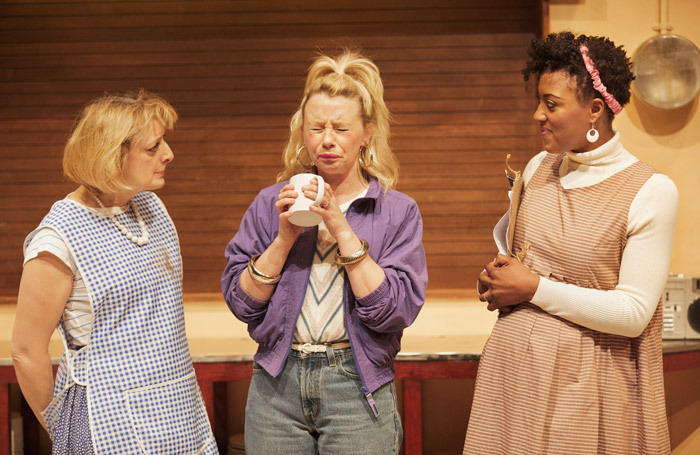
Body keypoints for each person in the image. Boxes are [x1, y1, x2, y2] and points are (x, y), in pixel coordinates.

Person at [463, 31, 678, 455]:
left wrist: (534, 289)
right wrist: (499, 280)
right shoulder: (539, 166)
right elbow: (524, 260)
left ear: (595, 109)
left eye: (552, 103)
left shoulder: (650, 190)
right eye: (538, 101)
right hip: (515, 378)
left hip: (590, 385)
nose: (537, 115)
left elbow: (634, 313)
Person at [222, 49, 427, 454]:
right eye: (317, 127)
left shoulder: (395, 210)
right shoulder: (271, 203)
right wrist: (283, 238)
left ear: (367, 132)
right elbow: (241, 303)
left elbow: (395, 310)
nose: (327, 140)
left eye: (341, 128)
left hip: (356, 381)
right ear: (303, 132)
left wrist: (339, 225)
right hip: (276, 384)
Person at [11, 90, 218, 454]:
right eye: (153, 148)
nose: (168, 154)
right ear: (111, 155)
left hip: (177, 409)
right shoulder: (58, 238)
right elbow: (26, 352)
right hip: (105, 422)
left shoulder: (150, 208)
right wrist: (64, 431)